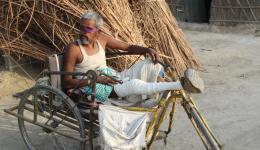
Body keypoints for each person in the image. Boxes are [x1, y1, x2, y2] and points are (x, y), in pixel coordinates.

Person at [62, 11, 204, 106]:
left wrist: (146, 50)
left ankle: (147, 94)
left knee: (151, 65)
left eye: (87, 29)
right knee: (133, 85)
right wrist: (97, 79)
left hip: (109, 77)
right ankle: (179, 85)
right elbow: (67, 82)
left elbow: (127, 47)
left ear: (97, 31)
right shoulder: (74, 49)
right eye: (80, 27)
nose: (82, 32)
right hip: (90, 87)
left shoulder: (102, 39)